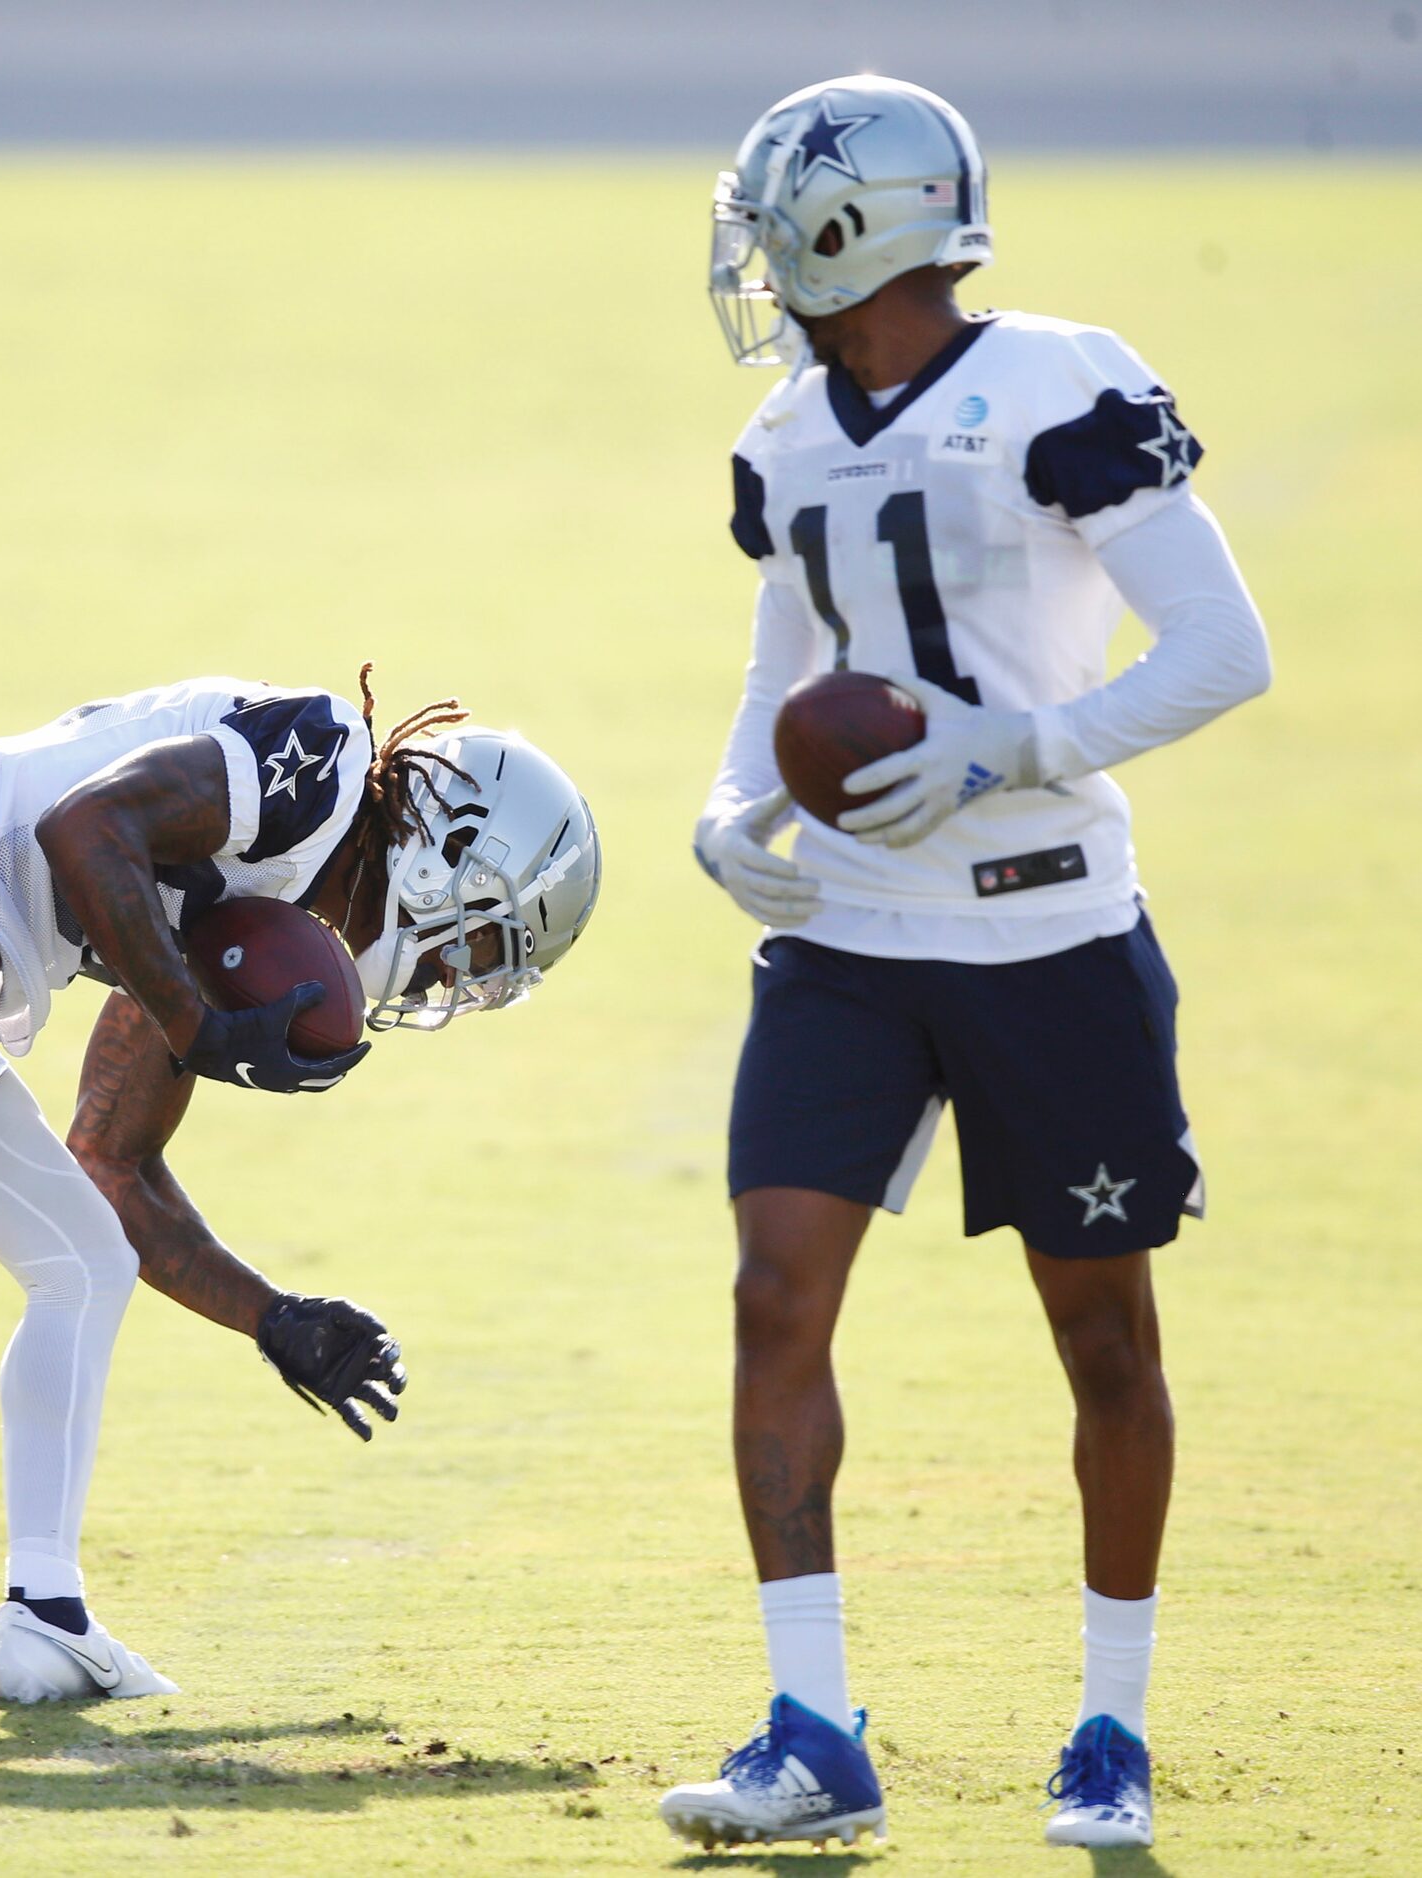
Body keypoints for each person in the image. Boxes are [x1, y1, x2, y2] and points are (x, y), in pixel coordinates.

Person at [662, 77, 1271, 1853]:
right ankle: (808, 1730)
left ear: (855, 224)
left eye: (775, 211)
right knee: (772, 1294)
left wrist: (1012, 747)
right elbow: (793, 654)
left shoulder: (1058, 382)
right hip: (846, 935)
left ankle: (1108, 1723)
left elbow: (1219, 649)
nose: (751, 246)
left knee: (1099, 1337)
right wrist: (727, 803)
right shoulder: (784, 433)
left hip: (1045, 928)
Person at [0, 667, 600, 1701]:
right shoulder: (318, 763)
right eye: (490, 940)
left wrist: (273, 1318)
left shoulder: (246, 909)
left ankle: (44, 1616)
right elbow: (84, 826)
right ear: (453, 850)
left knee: (79, 1260)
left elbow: (111, 1165)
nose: (458, 979)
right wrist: (198, 1026)